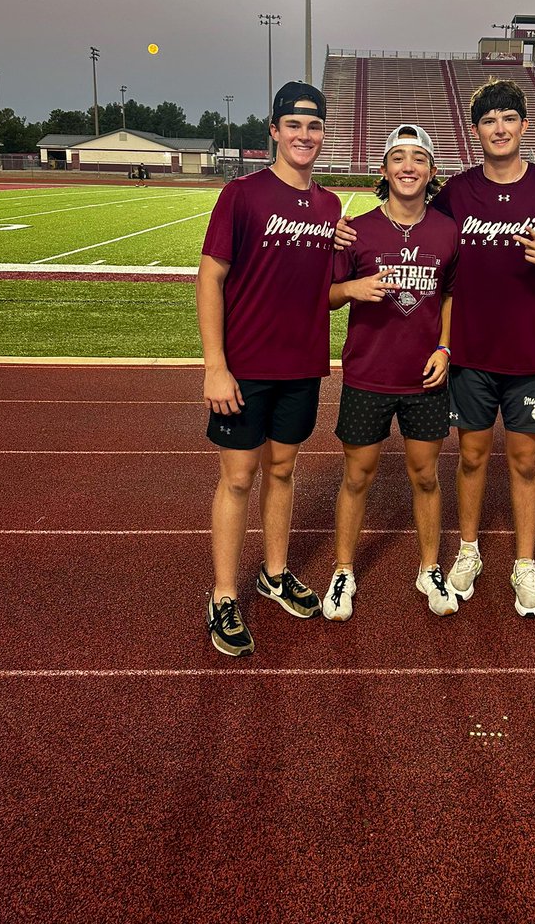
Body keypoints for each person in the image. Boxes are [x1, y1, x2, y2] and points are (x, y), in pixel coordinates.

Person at [419, 79, 535, 617]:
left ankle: (523, 562)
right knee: (470, 456)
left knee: (525, 459)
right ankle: (468, 551)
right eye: (489, 121)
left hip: (529, 350)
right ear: (476, 131)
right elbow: (419, 234)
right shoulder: (457, 193)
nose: (499, 129)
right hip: (470, 350)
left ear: (524, 126)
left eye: (508, 119)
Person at [197, 81, 340, 657]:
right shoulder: (243, 195)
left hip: (302, 365)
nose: (304, 135)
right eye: (294, 125)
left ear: (322, 134)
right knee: (237, 478)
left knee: (283, 472)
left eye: (314, 126)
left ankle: (274, 575)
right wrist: (215, 365)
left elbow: (320, 283)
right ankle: (224, 594)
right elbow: (211, 276)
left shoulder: (330, 206)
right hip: (245, 367)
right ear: (275, 131)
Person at [323, 125, 459, 622]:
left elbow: (448, 294)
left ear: (430, 171)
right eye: (398, 158)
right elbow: (329, 296)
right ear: (383, 170)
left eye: (418, 158)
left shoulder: (446, 230)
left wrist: (445, 347)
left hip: (424, 377)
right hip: (368, 374)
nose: (408, 167)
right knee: (357, 476)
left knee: (426, 475)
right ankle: (343, 571)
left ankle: (429, 568)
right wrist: (352, 289)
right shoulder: (357, 229)